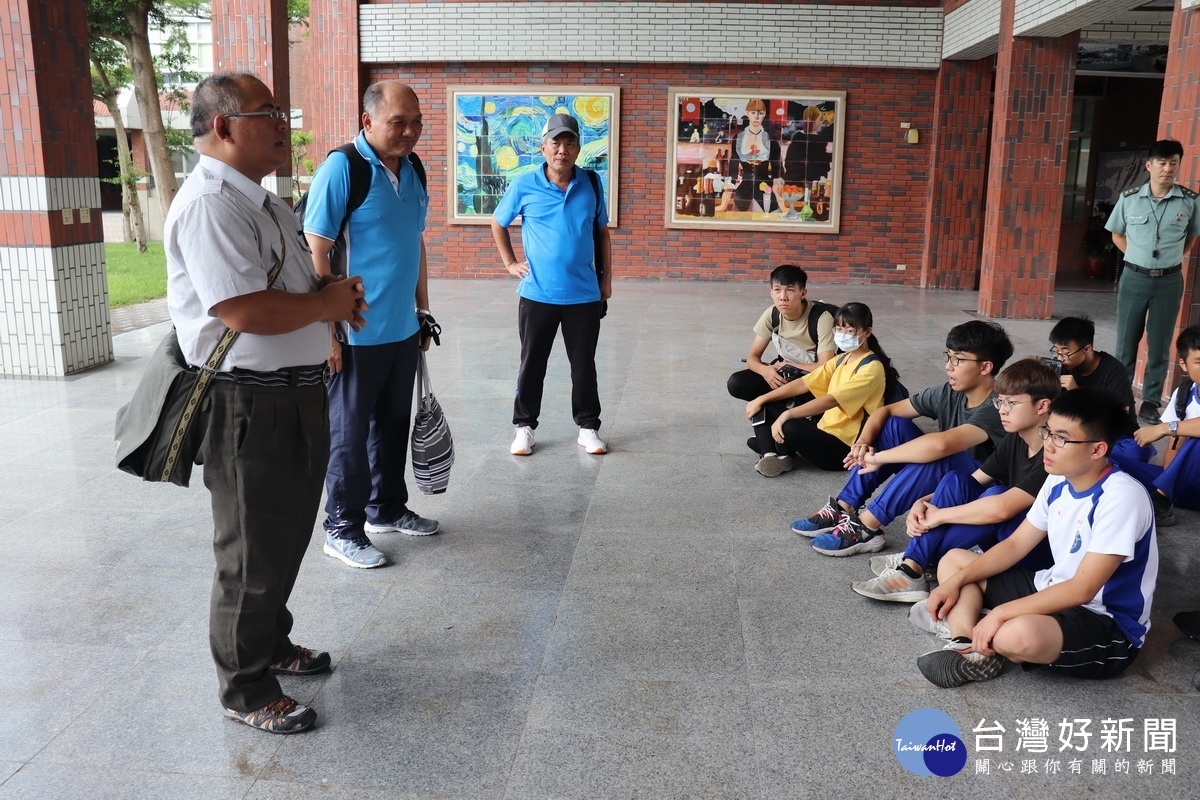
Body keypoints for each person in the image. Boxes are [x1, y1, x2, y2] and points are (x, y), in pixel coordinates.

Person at [167, 73, 368, 733]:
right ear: (223, 126)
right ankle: (246, 688)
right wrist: (323, 307)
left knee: (283, 538)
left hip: (296, 392)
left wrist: (332, 295)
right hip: (245, 403)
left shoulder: (264, 201)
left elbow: (292, 284)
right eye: (267, 113)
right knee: (250, 550)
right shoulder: (208, 204)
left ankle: (271, 644)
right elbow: (242, 308)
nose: (282, 124)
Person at [916, 389, 1157, 689]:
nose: (1048, 446)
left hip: (1106, 622)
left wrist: (1002, 613)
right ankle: (966, 644)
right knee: (954, 562)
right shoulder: (1057, 479)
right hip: (1052, 587)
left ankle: (990, 627)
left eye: (1062, 438)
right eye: (1048, 432)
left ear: (1097, 450)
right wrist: (953, 583)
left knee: (1015, 635)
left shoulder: (1122, 497)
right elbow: (1016, 545)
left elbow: (1083, 589)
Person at [303, 80, 439, 570]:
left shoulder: (414, 168)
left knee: (391, 426)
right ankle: (341, 528)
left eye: (416, 122)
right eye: (397, 122)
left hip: (400, 330)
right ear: (367, 121)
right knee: (349, 434)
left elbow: (414, 245)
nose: (409, 132)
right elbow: (316, 250)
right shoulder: (344, 168)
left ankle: (386, 508)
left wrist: (423, 312)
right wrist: (328, 332)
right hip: (355, 334)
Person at [792, 320, 1012, 557]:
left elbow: (942, 445)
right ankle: (845, 506)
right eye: (947, 356)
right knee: (893, 425)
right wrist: (863, 442)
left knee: (939, 457)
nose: (948, 366)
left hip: (977, 490)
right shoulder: (949, 391)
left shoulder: (998, 406)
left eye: (958, 359)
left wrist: (880, 458)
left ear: (986, 367)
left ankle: (867, 526)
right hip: (945, 476)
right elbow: (885, 411)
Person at [851, 358, 1059, 603]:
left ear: (1042, 405)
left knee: (995, 496)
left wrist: (938, 516)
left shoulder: (1055, 453)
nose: (1002, 409)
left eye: (1011, 403)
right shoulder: (1017, 439)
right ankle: (914, 563)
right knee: (955, 481)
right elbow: (974, 481)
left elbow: (1003, 508)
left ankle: (914, 563)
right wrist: (925, 502)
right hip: (1006, 538)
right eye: (999, 401)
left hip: (1035, 553)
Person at [491, 113, 612, 457]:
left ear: (577, 147)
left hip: (584, 294)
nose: (562, 149)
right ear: (543, 147)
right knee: (532, 363)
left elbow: (601, 232)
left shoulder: (591, 182)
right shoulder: (524, 184)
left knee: (583, 364)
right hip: (538, 293)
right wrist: (510, 262)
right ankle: (524, 427)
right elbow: (498, 223)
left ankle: (588, 428)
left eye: (569, 142)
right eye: (556, 142)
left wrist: (607, 278)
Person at [1106, 139, 1200, 425]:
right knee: (1126, 342)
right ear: (1149, 166)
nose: (1168, 168)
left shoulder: (1190, 200)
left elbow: (1191, 239)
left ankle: (1149, 402)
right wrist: (1138, 258)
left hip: (1169, 281)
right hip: (1134, 277)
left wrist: (1164, 261)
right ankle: (1119, 399)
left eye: (1173, 163)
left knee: (1159, 345)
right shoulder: (1130, 197)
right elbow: (1117, 234)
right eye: (1162, 162)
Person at [744, 302, 890, 476]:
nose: (843, 336)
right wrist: (762, 399)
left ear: (867, 332)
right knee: (766, 404)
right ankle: (771, 454)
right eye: (839, 330)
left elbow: (832, 400)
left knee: (790, 425)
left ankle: (772, 446)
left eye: (850, 331)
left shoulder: (871, 368)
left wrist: (787, 414)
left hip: (844, 449)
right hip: (823, 429)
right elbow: (804, 383)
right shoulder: (842, 359)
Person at [727, 264, 836, 467]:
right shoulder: (772, 314)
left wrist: (790, 365)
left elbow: (825, 366)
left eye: (790, 290)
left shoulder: (821, 318)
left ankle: (769, 445)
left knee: (765, 402)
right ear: (771, 292)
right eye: (777, 290)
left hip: (813, 384)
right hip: (783, 378)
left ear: (803, 293)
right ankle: (772, 453)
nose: (783, 297)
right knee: (738, 382)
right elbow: (753, 358)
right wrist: (766, 370)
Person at [1049, 315, 1154, 477]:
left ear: (1087, 349)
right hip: (1074, 435)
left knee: (1136, 451)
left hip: (1114, 437)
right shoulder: (1060, 366)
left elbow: (1118, 418)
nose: (1059, 357)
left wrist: (1077, 392)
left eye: (1065, 352)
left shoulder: (1113, 370)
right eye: (1055, 350)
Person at [1133, 324, 1200, 527]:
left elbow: (1175, 431)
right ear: (1184, 364)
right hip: (1187, 488)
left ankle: (1160, 499)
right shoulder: (1184, 394)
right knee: (1115, 463)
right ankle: (1163, 498)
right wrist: (1171, 481)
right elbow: (1175, 446)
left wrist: (1163, 427)